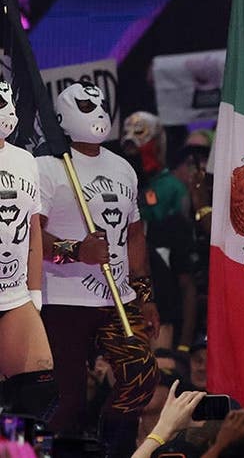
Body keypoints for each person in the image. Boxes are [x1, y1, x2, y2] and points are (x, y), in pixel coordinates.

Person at [37, 82, 159, 455]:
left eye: (101, 103)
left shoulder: (122, 167)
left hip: (117, 298)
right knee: (66, 397)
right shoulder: (46, 167)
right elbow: (29, 236)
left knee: (140, 377)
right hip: (63, 300)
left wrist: (146, 295)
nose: (99, 111)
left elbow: (135, 234)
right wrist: (75, 250)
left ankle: (113, 450)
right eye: (88, 104)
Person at [0, 80, 56, 420]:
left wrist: (34, 290)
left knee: (39, 392)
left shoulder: (24, 160)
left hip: (15, 294)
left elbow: (33, 229)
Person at [121, 111, 197, 351]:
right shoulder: (121, 184)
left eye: (140, 133)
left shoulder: (171, 189)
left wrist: (184, 343)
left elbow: (184, 267)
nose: (131, 140)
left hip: (163, 293)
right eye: (127, 133)